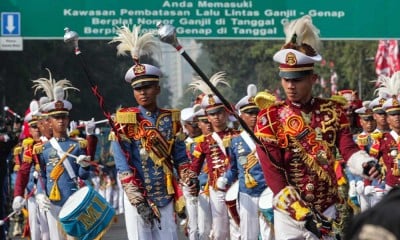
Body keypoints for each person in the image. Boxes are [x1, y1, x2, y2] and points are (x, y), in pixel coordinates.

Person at [254, 15, 381, 239]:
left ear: (312, 79)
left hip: (327, 208)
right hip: (289, 213)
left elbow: (347, 149)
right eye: (286, 79)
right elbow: (273, 173)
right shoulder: (271, 117)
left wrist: (365, 164)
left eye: (297, 79)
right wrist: (301, 214)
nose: (290, 86)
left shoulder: (332, 111)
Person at [109, 25, 192, 240]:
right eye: (138, 88)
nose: (143, 92)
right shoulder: (125, 120)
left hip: (165, 194)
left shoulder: (171, 119)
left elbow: (180, 157)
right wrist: (137, 200)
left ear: (157, 88)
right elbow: (123, 166)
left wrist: (189, 177)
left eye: (147, 86)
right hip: (140, 196)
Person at [34, 72, 99, 240]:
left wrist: (85, 165)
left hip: (73, 201)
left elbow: (83, 175)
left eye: (63, 117)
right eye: (56, 118)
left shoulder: (77, 145)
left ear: (68, 118)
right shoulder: (43, 148)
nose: (61, 121)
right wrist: (40, 193)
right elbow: (41, 174)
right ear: (49, 121)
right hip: (53, 203)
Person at [187, 71, 240, 240]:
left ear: (226, 113)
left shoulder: (238, 135)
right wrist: (191, 179)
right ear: (207, 117)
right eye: (212, 114)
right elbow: (194, 167)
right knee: (219, 231)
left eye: (219, 112)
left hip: (238, 185)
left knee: (239, 228)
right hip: (216, 189)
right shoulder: (204, 142)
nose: (217, 117)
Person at [219, 84, 273, 240]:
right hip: (247, 194)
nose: (254, 116)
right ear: (241, 115)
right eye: (249, 113)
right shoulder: (234, 142)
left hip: (267, 192)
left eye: (256, 112)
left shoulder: (268, 138)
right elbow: (234, 169)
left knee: (269, 235)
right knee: (248, 235)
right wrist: (225, 179)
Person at [12, 100, 51, 240]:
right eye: (32, 126)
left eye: (38, 126)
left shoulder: (49, 143)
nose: (36, 129)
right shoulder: (27, 147)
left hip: (50, 193)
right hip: (32, 195)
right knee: (35, 230)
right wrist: (18, 195)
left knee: (49, 231)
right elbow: (22, 173)